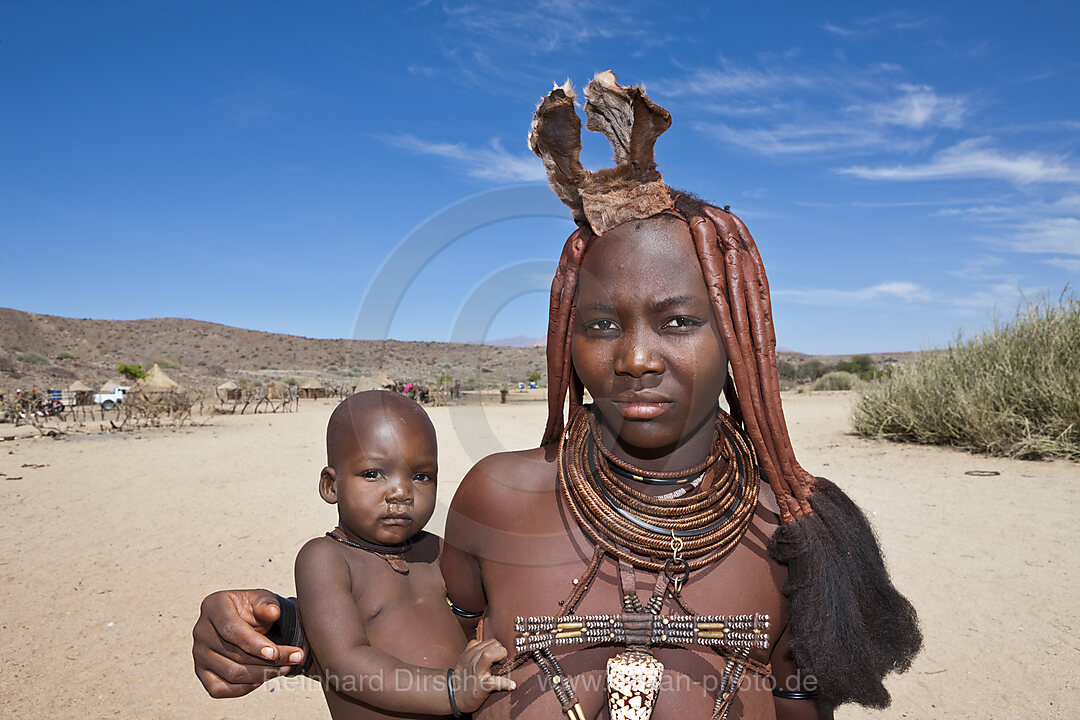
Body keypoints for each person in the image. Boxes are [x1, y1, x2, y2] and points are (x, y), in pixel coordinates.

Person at [193, 73, 920, 719]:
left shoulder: (798, 531)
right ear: (566, 339)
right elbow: (422, 636)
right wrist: (277, 630)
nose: (634, 357)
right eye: (601, 324)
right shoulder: (497, 498)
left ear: (733, 333)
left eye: (678, 321)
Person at [296, 390, 514, 719]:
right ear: (331, 485)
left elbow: (476, 615)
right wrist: (452, 689)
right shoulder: (326, 559)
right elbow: (346, 663)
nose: (401, 492)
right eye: (373, 474)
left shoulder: (436, 550)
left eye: (421, 476)